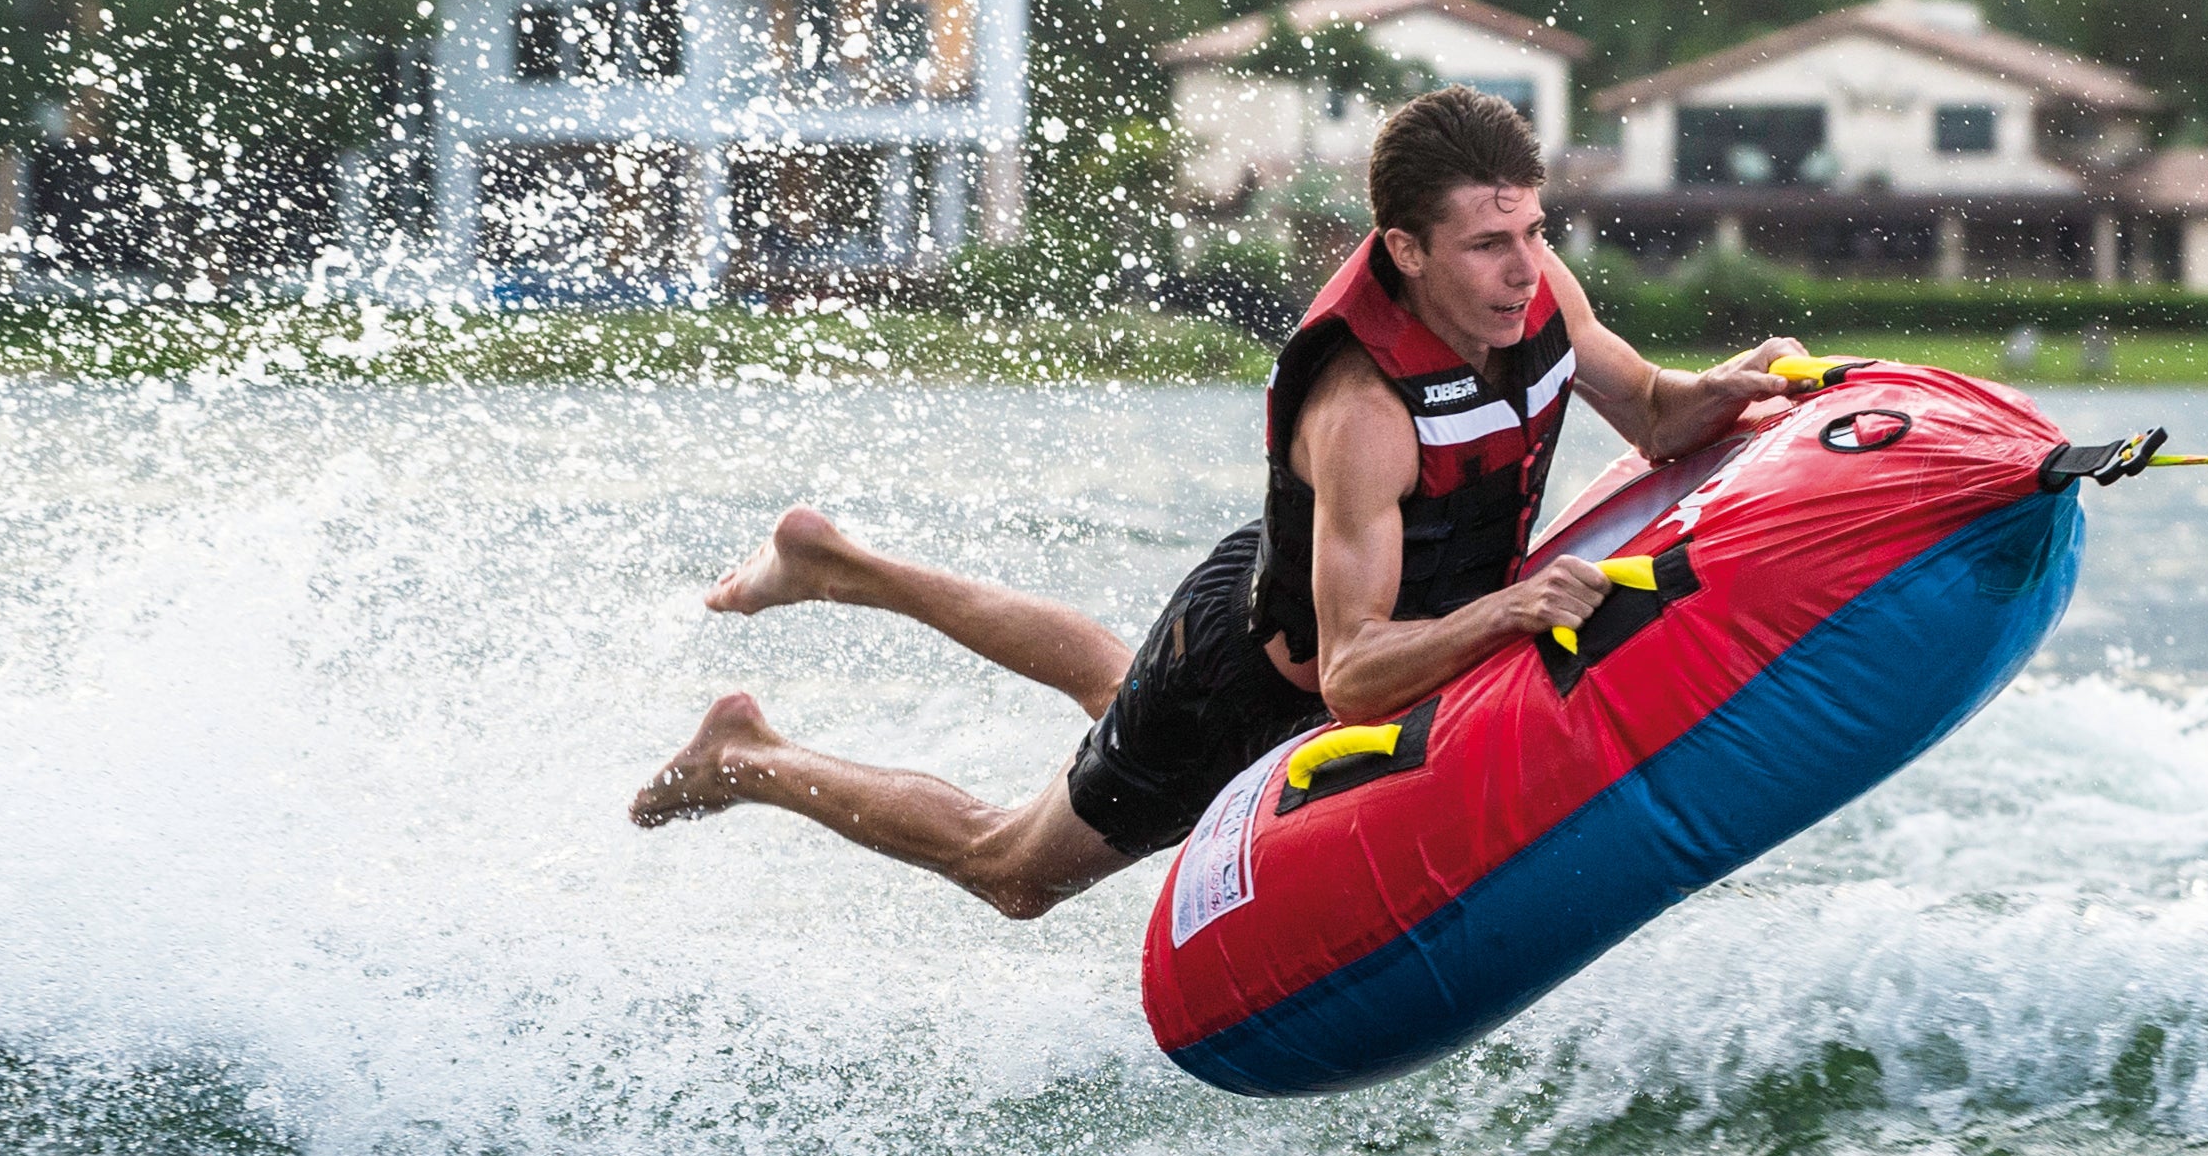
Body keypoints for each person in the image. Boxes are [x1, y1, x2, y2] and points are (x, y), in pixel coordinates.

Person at [629, 85, 1809, 915]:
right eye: (1486, 244)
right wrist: (1509, 612)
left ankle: (840, 567)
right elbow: (1352, 675)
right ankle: (747, 755)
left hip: (1298, 593)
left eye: (1531, 230)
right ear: (1402, 249)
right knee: (1015, 870)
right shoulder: (1361, 412)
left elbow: (1652, 411)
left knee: (1106, 681)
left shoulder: (1530, 285)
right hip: (1247, 680)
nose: (1521, 266)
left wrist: (1739, 391)